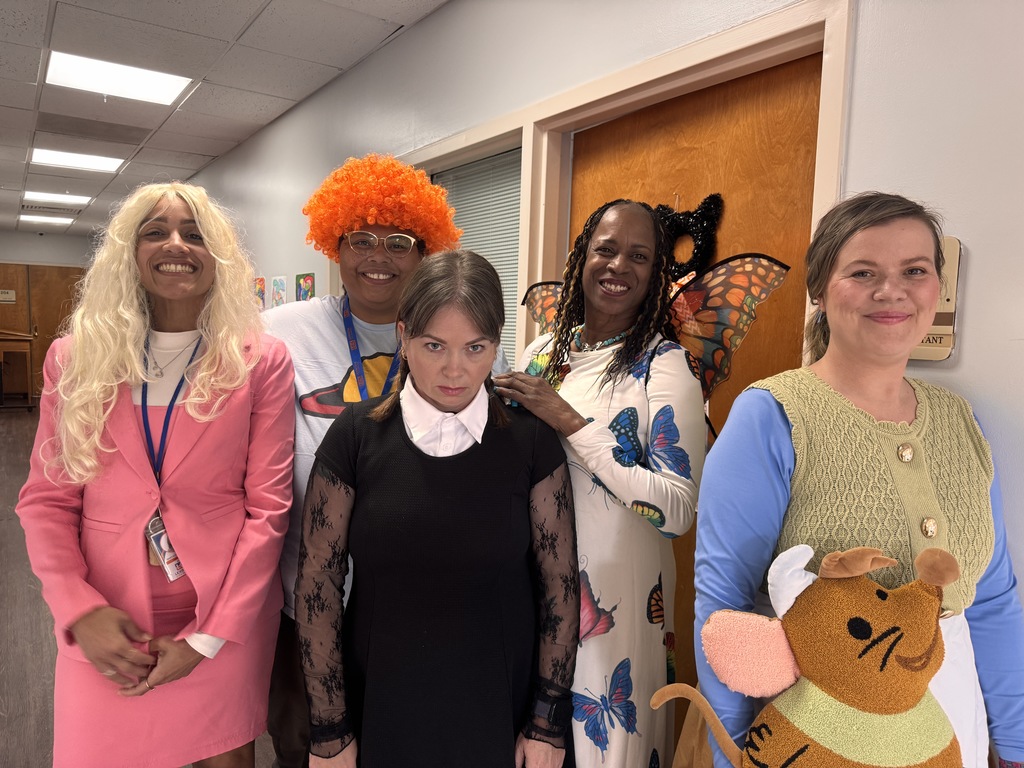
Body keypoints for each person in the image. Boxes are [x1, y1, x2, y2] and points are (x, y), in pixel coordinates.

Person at [693, 191, 1024, 768]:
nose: (891, 291)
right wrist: (736, 755)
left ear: (935, 288)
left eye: (914, 271)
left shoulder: (959, 421)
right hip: (818, 731)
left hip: (953, 724)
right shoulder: (771, 416)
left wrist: (1016, 744)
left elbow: (993, 598)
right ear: (819, 290)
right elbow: (725, 606)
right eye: (863, 272)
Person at [15, 182, 295, 768]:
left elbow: (268, 509)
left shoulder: (258, 360)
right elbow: (47, 501)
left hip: (221, 615)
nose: (177, 245)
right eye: (156, 231)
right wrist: (78, 611)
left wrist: (208, 639)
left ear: (217, 253)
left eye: (195, 234)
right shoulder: (75, 358)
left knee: (224, 757)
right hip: (107, 616)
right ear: (129, 251)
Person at [263, 153, 510, 767]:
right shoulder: (277, 334)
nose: (378, 256)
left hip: (420, 619)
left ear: (424, 252)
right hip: (308, 609)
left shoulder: (463, 339)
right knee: (309, 751)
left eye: (398, 241)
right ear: (332, 243)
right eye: (360, 238)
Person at [294, 249, 579, 767]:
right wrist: (329, 730)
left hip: (501, 707)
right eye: (434, 346)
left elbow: (559, 587)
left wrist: (547, 723)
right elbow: (319, 584)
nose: (455, 369)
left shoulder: (531, 443)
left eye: (476, 347)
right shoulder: (355, 437)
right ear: (403, 336)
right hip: (381, 702)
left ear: (495, 345)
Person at [495, 200, 706, 768]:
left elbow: (679, 509)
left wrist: (570, 423)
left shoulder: (665, 367)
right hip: (534, 589)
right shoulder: (543, 355)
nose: (619, 266)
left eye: (639, 256)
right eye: (606, 249)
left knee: (603, 750)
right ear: (581, 258)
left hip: (618, 604)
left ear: (657, 273)